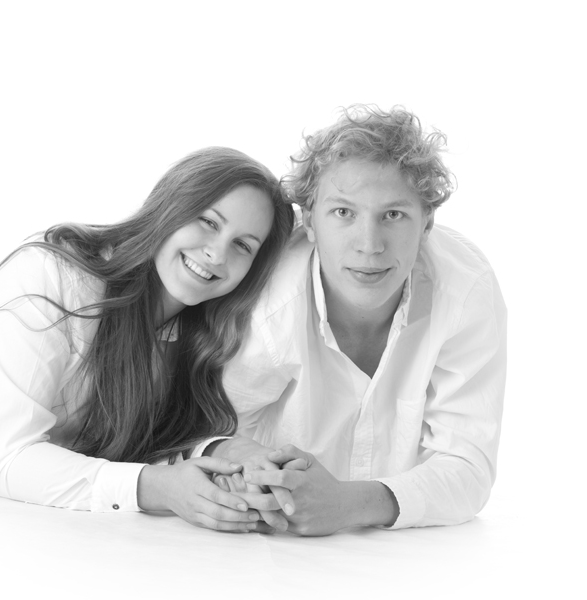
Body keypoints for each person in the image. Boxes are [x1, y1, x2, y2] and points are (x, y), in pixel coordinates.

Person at [0, 147, 295, 533]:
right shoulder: (54, 277)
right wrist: (156, 489)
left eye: (243, 245)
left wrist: (227, 456)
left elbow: (152, 441)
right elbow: (15, 462)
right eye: (208, 222)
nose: (216, 252)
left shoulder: (199, 338)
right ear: (168, 209)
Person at [207, 106, 507, 536]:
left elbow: (468, 466)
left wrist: (348, 504)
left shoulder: (464, 292)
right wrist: (243, 472)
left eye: (393, 215)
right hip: (270, 547)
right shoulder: (269, 301)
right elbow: (206, 431)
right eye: (344, 213)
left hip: (412, 558)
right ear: (309, 221)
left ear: (426, 224)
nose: (369, 245)